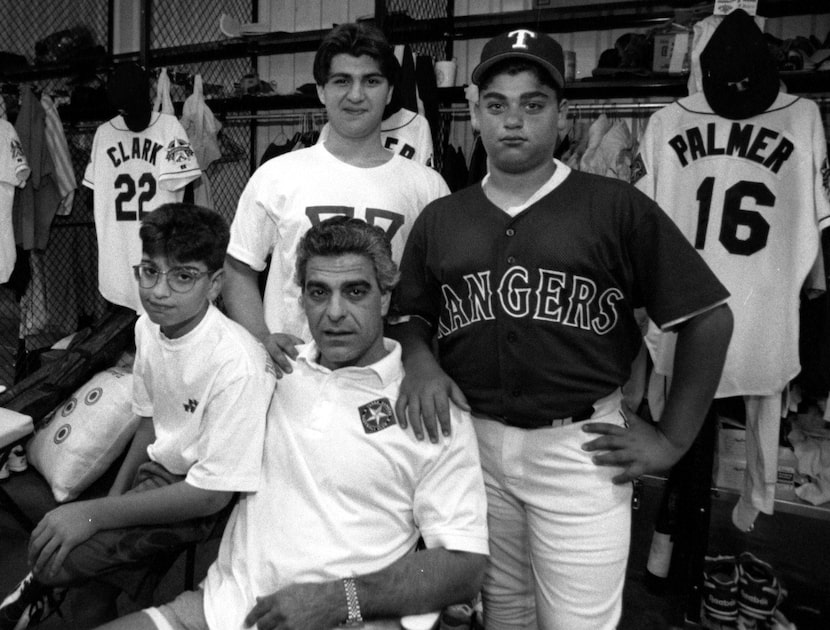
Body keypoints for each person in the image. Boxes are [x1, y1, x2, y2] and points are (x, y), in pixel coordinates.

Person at [389, 29, 734, 629]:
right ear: (474, 113)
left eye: (534, 103)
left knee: (578, 621)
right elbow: (412, 312)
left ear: (563, 114)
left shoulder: (616, 206)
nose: (513, 121)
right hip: (475, 442)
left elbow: (708, 317)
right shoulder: (443, 216)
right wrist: (419, 359)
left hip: (581, 448)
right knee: (505, 614)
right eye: (496, 104)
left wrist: (673, 440)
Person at [95, 216, 489, 630]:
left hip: (345, 619)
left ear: (386, 298)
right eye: (319, 292)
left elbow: (464, 567)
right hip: (220, 610)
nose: (335, 312)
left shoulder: (426, 406)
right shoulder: (272, 371)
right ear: (301, 299)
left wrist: (339, 601)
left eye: (355, 292)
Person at [0, 203, 275, 630]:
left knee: (61, 559)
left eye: (182, 276)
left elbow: (212, 496)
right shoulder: (147, 327)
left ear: (215, 283)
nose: (159, 291)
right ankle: (71, 594)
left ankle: (50, 587)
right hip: (162, 474)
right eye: (150, 271)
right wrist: (112, 503)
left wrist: (92, 516)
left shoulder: (236, 363)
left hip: (208, 499)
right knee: (82, 580)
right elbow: (148, 425)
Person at [222, 21, 449, 378]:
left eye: (371, 81)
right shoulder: (276, 175)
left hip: (389, 378)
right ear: (321, 90)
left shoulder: (426, 185)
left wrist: (423, 362)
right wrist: (260, 338)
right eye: (342, 81)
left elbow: (436, 294)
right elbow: (238, 268)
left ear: (390, 92)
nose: (356, 95)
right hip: (294, 378)